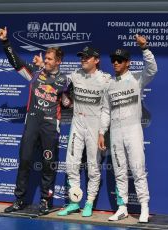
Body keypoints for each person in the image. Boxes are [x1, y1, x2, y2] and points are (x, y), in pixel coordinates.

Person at [0, 26, 69, 215]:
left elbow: (69, 103)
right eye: (45, 58)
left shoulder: (65, 81)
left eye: (50, 59)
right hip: (32, 123)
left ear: (59, 61)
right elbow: (16, 63)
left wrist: (68, 100)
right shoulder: (35, 74)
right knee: (25, 160)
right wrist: (5, 42)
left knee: (48, 164)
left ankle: (46, 201)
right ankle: (19, 200)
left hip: (51, 126)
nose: (46, 60)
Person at [98, 34, 158, 223]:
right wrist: (101, 132)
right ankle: (122, 208)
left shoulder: (136, 79)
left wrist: (145, 48)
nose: (115, 63)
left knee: (138, 169)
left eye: (120, 60)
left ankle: (144, 207)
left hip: (133, 131)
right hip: (115, 133)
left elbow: (153, 69)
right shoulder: (109, 85)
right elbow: (106, 111)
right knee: (120, 172)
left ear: (128, 63)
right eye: (113, 60)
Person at [57, 46, 111, 217]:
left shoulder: (105, 80)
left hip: (95, 126)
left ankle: (88, 203)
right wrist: (66, 100)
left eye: (87, 57)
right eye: (82, 57)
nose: (83, 59)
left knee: (93, 168)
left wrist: (102, 132)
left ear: (96, 60)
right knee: (71, 164)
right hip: (77, 123)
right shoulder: (75, 75)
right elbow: (59, 84)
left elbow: (107, 110)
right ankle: (74, 202)